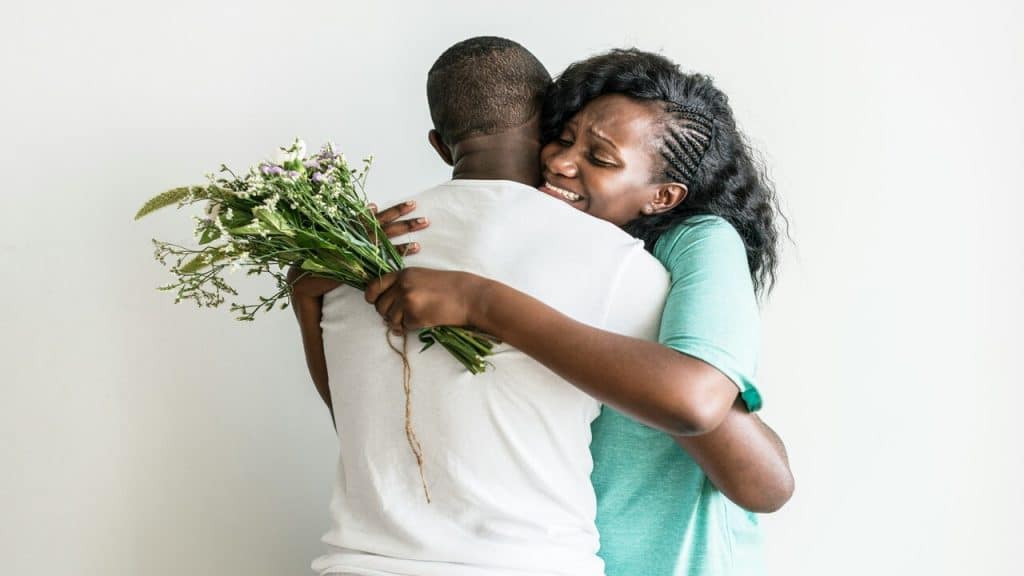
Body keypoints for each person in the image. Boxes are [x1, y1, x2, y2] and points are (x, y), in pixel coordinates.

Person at [361, 48, 792, 576]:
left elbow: (725, 435)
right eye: (563, 139)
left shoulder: (697, 242)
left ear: (662, 196)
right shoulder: (544, 241)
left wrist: (482, 302)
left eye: (601, 159)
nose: (561, 163)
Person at [299, 36, 672, 576]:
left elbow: (355, 422)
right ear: (550, 129)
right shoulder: (619, 262)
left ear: (438, 143)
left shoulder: (349, 254)